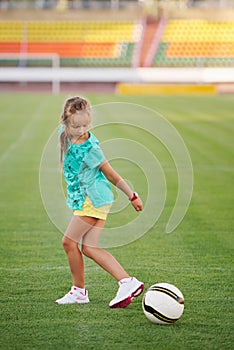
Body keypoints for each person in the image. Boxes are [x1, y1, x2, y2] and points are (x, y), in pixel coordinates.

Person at [55, 96, 144, 308]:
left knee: (68, 242)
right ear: (66, 122)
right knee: (89, 247)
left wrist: (131, 195)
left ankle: (79, 291)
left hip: (93, 198)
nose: (81, 130)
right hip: (93, 198)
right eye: (76, 126)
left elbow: (111, 174)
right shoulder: (64, 135)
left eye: (86, 125)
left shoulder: (91, 149)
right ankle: (126, 281)